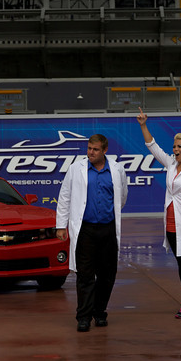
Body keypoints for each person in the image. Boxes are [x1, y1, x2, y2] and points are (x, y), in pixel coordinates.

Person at [137, 108, 181, 319]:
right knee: (180, 261)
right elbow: (153, 146)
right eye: (174, 146)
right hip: (170, 222)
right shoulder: (171, 164)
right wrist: (143, 125)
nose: (175, 149)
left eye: (179, 146)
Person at [56, 134, 128, 332]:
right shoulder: (75, 169)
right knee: (85, 275)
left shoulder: (117, 169)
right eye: (89, 148)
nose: (91, 152)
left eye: (95, 149)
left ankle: (100, 312)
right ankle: (84, 317)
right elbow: (64, 197)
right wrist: (61, 225)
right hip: (85, 229)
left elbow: (122, 197)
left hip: (108, 229)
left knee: (107, 275)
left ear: (105, 150)